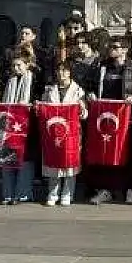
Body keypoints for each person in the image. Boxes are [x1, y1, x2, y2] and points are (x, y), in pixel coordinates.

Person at [86, 38, 132, 205]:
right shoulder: (101, 67)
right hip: (104, 119)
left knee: (127, 154)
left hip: (127, 119)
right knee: (106, 154)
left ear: (124, 50)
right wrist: (90, 93)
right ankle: (106, 190)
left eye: (115, 47)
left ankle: (129, 189)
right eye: (110, 46)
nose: (111, 49)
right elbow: (89, 85)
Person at [42, 62, 87, 206]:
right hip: (54, 131)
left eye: (64, 70)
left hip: (71, 132)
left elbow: (85, 114)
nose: (61, 73)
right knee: (53, 160)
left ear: (70, 73)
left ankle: (67, 193)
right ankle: (53, 193)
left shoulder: (78, 90)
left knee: (70, 162)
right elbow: (44, 109)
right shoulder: (49, 90)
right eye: (59, 70)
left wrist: (81, 109)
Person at [0, 56, 37, 204]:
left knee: (25, 160)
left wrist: (30, 104)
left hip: (27, 125)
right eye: (14, 65)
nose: (16, 68)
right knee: (8, 156)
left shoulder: (34, 80)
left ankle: (23, 193)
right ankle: (8, 193)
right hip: (10, 124)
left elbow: (39, 99)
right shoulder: (9, 81)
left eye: (19, 65)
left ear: (27, 65)